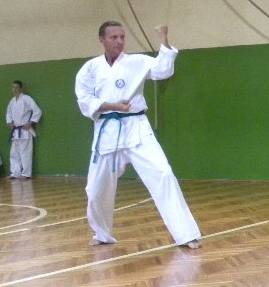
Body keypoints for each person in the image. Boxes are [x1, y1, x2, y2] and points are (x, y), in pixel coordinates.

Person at [74, 21, 201, 249]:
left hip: (137, 127)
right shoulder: (90, 68)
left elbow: (163, 70)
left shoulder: (137, 62)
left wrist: (163, 40)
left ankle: (186, 234)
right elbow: (84, 99)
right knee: (95, 189)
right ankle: (102, 234)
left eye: (122, 37)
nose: (119, 41)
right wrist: (112, 105)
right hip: (107, 130)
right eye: (114, 37)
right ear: (102, 40)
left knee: (163, 174)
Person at [6, 79, 42, 178]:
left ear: (21, 89)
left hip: (25, 129)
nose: (14, 89)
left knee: (25, 152)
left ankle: (26, 173)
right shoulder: (12, 101)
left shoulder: (27, 99)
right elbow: (8, 113)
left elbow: (37, 111)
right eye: (13, 87)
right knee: (14, 152)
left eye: (16, 87)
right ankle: (15, 173)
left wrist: (30, 122)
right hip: (16, 130)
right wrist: (9, 122)